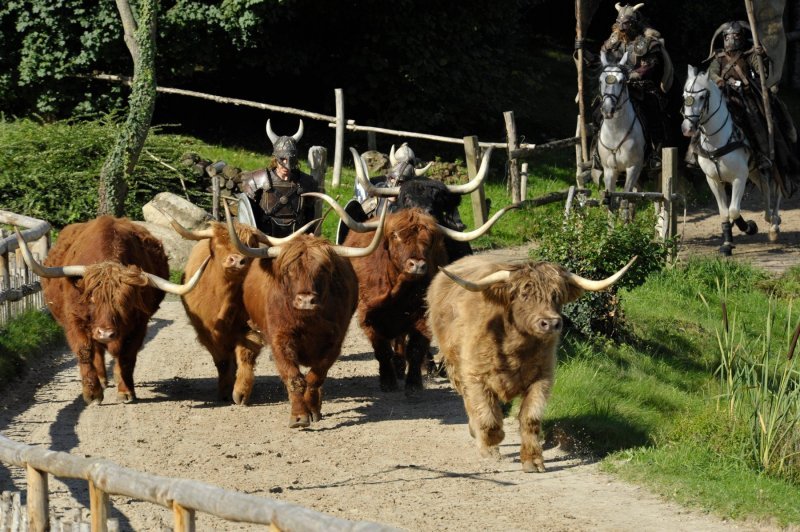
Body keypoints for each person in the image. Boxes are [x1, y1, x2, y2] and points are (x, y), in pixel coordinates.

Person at [704, 20, 799, 185]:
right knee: (702, 117)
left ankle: (762, 155)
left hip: (745, 96)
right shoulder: (718, 58)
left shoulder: (749, 55)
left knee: (755, 119)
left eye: (735, 36)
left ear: (741, 37)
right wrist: (719, 81)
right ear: (724, 38)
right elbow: (711, 73)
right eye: (728, 36)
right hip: (724, 96)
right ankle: (696, 153)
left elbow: (763, 72)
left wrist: (761, 57)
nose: (731, 39)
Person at [596, 2, 674, 166]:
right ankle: (597, 153)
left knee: (652, 113)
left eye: (626, 24)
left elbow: (649, 66)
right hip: (614, 88)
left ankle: (654, 154)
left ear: (634, 24)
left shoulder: (647, 41)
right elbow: (603, 58)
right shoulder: (613, 41)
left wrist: (629, 75)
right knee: (597, 110)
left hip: (641, 88)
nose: (622, 28)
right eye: (619, 23)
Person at [237, 119, 320, 237]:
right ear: (275, 159)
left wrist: (310, 235)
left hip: (296, 243)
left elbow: (309, 214)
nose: (287, 165)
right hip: (265, 240)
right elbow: (249, 217)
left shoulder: (305, 183)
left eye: (291, 160)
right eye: (283, 160)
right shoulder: (258, 180)